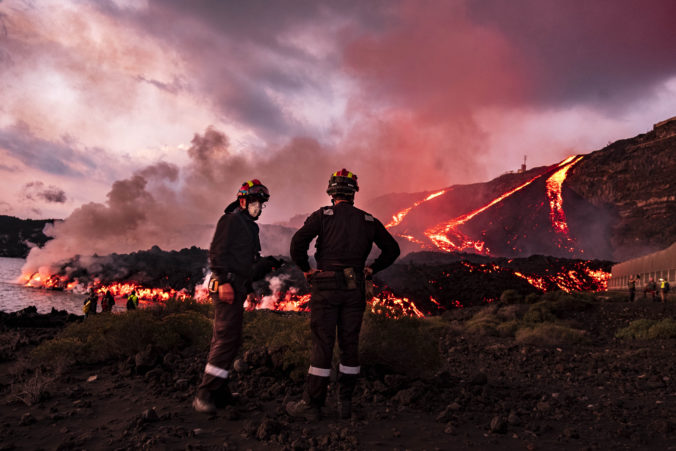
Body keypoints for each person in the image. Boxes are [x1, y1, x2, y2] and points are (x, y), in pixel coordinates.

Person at [286, 168, 400, 421]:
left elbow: (297, 244)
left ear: (331, 192)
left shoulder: (323, 216)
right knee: (350, 344)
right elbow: (392, 250)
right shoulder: (368, 220)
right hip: (354, 288)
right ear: (353, 193)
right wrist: (372, 269)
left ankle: (312, 405)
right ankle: (345, 403)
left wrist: (306, 270)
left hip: (325, 286)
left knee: (323, 344)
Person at [193, 179, 273, 414]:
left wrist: (261, 271)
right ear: (243, 200)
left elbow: (247, 262)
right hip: (226, 286)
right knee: (226, 339)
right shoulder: (231, 220)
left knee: (230, 339)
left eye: (261, 203)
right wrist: (224, 280)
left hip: (237, 287)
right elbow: (217, 252)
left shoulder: (249, 226)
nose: (259, 207)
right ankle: (205, 394)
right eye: (255, 201)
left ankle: (220, 391)